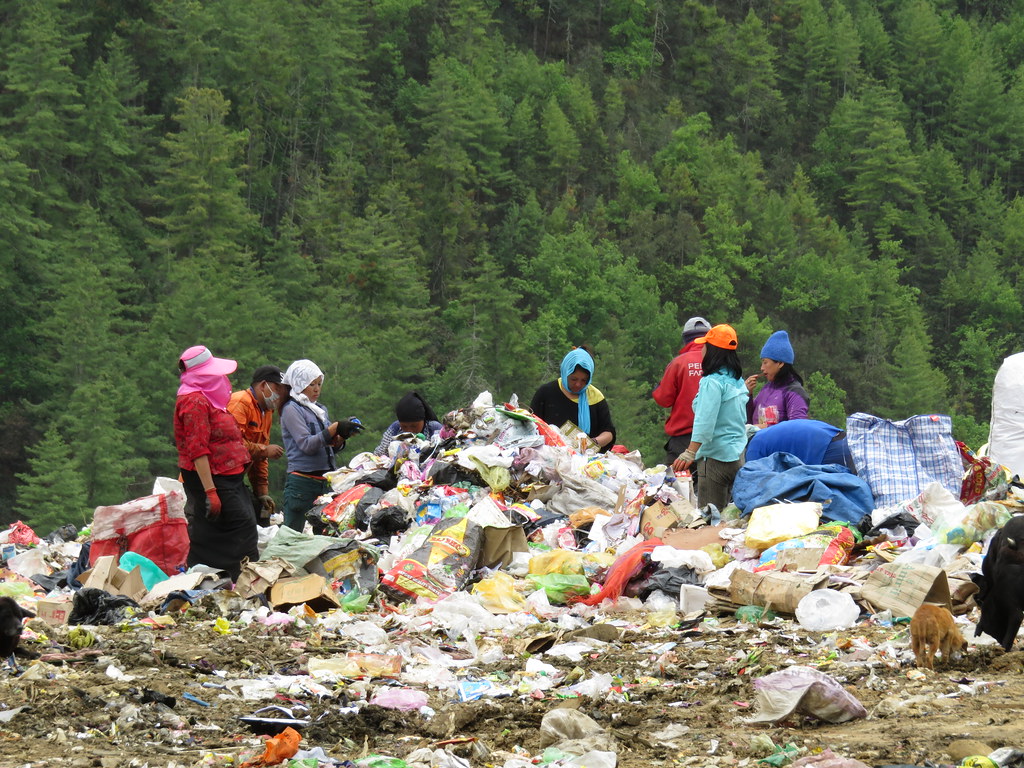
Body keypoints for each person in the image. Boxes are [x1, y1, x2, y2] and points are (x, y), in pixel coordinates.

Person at [173, 345, 257, 581]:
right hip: (211, 476)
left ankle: (218, 578)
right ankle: (242, 579)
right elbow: (197, 449)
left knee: (218, 528)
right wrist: (210, 491)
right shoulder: (194, 402)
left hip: (226, 475)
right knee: (241, 527)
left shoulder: (207, 399)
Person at [280, 359, 363, 532]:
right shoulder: (291, 409)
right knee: (293, 534)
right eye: (311, 384)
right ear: (299, 384)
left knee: (323, 532)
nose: (317, 389)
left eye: (319, 384)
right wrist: (333, 428)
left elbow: (328, 445)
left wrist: (341, 436)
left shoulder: (319, 409)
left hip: (323, 481)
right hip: (302, 483)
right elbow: (307, 445)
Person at [672, 325, 748, 510]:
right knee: (732, 516)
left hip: (715, 459)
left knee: (710, 516)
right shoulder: (737, 381)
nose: (702, 350)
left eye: (705, 345)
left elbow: (705, 422)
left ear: (712, 350)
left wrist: (690, 452)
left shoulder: (712, 382)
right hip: (738, 456)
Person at [227, 365, 290, 524]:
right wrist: (264, 450)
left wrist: (262, 492)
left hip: (235, 478)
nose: (279, 395)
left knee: (260, 516)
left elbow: (260, 459)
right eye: (277, 388)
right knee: (241, 522)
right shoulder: (240, 402)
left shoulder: (267, 412)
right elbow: (231, 444)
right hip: (219, 478)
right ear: (263, 385)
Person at [530, 347, 615, 451]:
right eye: (573, 379)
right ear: (566, 373)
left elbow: (608, 432)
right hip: (549, 453)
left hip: (586, 458)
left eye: (584, 380)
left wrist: (591, 443)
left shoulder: (595, 397)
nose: (578, 384)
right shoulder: (546, 392)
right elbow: (531, 424)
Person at [653, 316, 712, 465]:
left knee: (675, 485)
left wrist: (656, 388)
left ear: (686, 339)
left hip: (683, 440)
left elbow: (664, 399)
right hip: (714, 441)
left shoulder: (679, 362)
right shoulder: (720, 363)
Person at [745, 330, 809, 427]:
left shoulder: (795, 392)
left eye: (765, 362)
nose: (762, 368)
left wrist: (766, 427)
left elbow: (797, 429)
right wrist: (748, 395)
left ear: (780, 363)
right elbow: (749, 420)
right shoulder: (766, 389)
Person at [745, 419, 856, 471]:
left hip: (824, 449)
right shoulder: (766, 433)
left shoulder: (753, 447)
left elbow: (756, 479)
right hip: (839, 437)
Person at [374, 391, 444, 456]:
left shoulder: (434, 429)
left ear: (423, 420)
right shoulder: (396, 428)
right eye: (404, 426)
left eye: (414, 426)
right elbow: (380, 453)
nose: (409, 430)